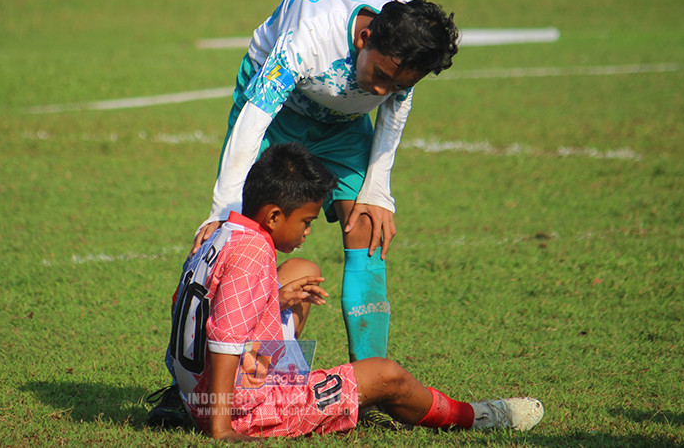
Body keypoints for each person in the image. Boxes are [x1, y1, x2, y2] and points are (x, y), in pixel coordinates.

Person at [148, 0, 460, 427]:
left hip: (342, 127)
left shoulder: (406, 44)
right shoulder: (311, 35)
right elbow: (256, 113)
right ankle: (190, 389)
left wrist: (378, 190)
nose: (383, 91)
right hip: (273, 114)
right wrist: (223, 212)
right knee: (241, 241)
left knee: (368, 229)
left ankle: (366, 395)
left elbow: (394, 111)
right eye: (382, 77)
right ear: (363, 38)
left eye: (398, 84)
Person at [164, 143, 544, 439]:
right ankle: (476, 416)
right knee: (385, 375)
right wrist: (222, 427)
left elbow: (197, 308)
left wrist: (269, 302)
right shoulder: (253, 251)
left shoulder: (225, 232)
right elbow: (226, 339)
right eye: (307, 222)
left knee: (302, 271)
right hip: (240, 407)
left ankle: (222, 399)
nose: (309, 232)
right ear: (274, 216)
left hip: (197, 391)